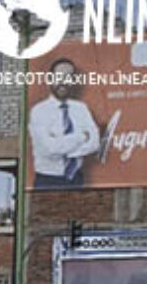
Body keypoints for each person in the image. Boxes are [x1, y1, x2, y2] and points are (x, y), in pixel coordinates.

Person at [29, 58, 101, 189]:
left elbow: (95, 143)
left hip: (77, 179)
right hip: (47, 181)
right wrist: (82, 137)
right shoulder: (39, 111)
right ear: (50, 79)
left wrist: (65, 149)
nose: (63, 82)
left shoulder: (81, 108)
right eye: (59, 77)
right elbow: (50, 149)